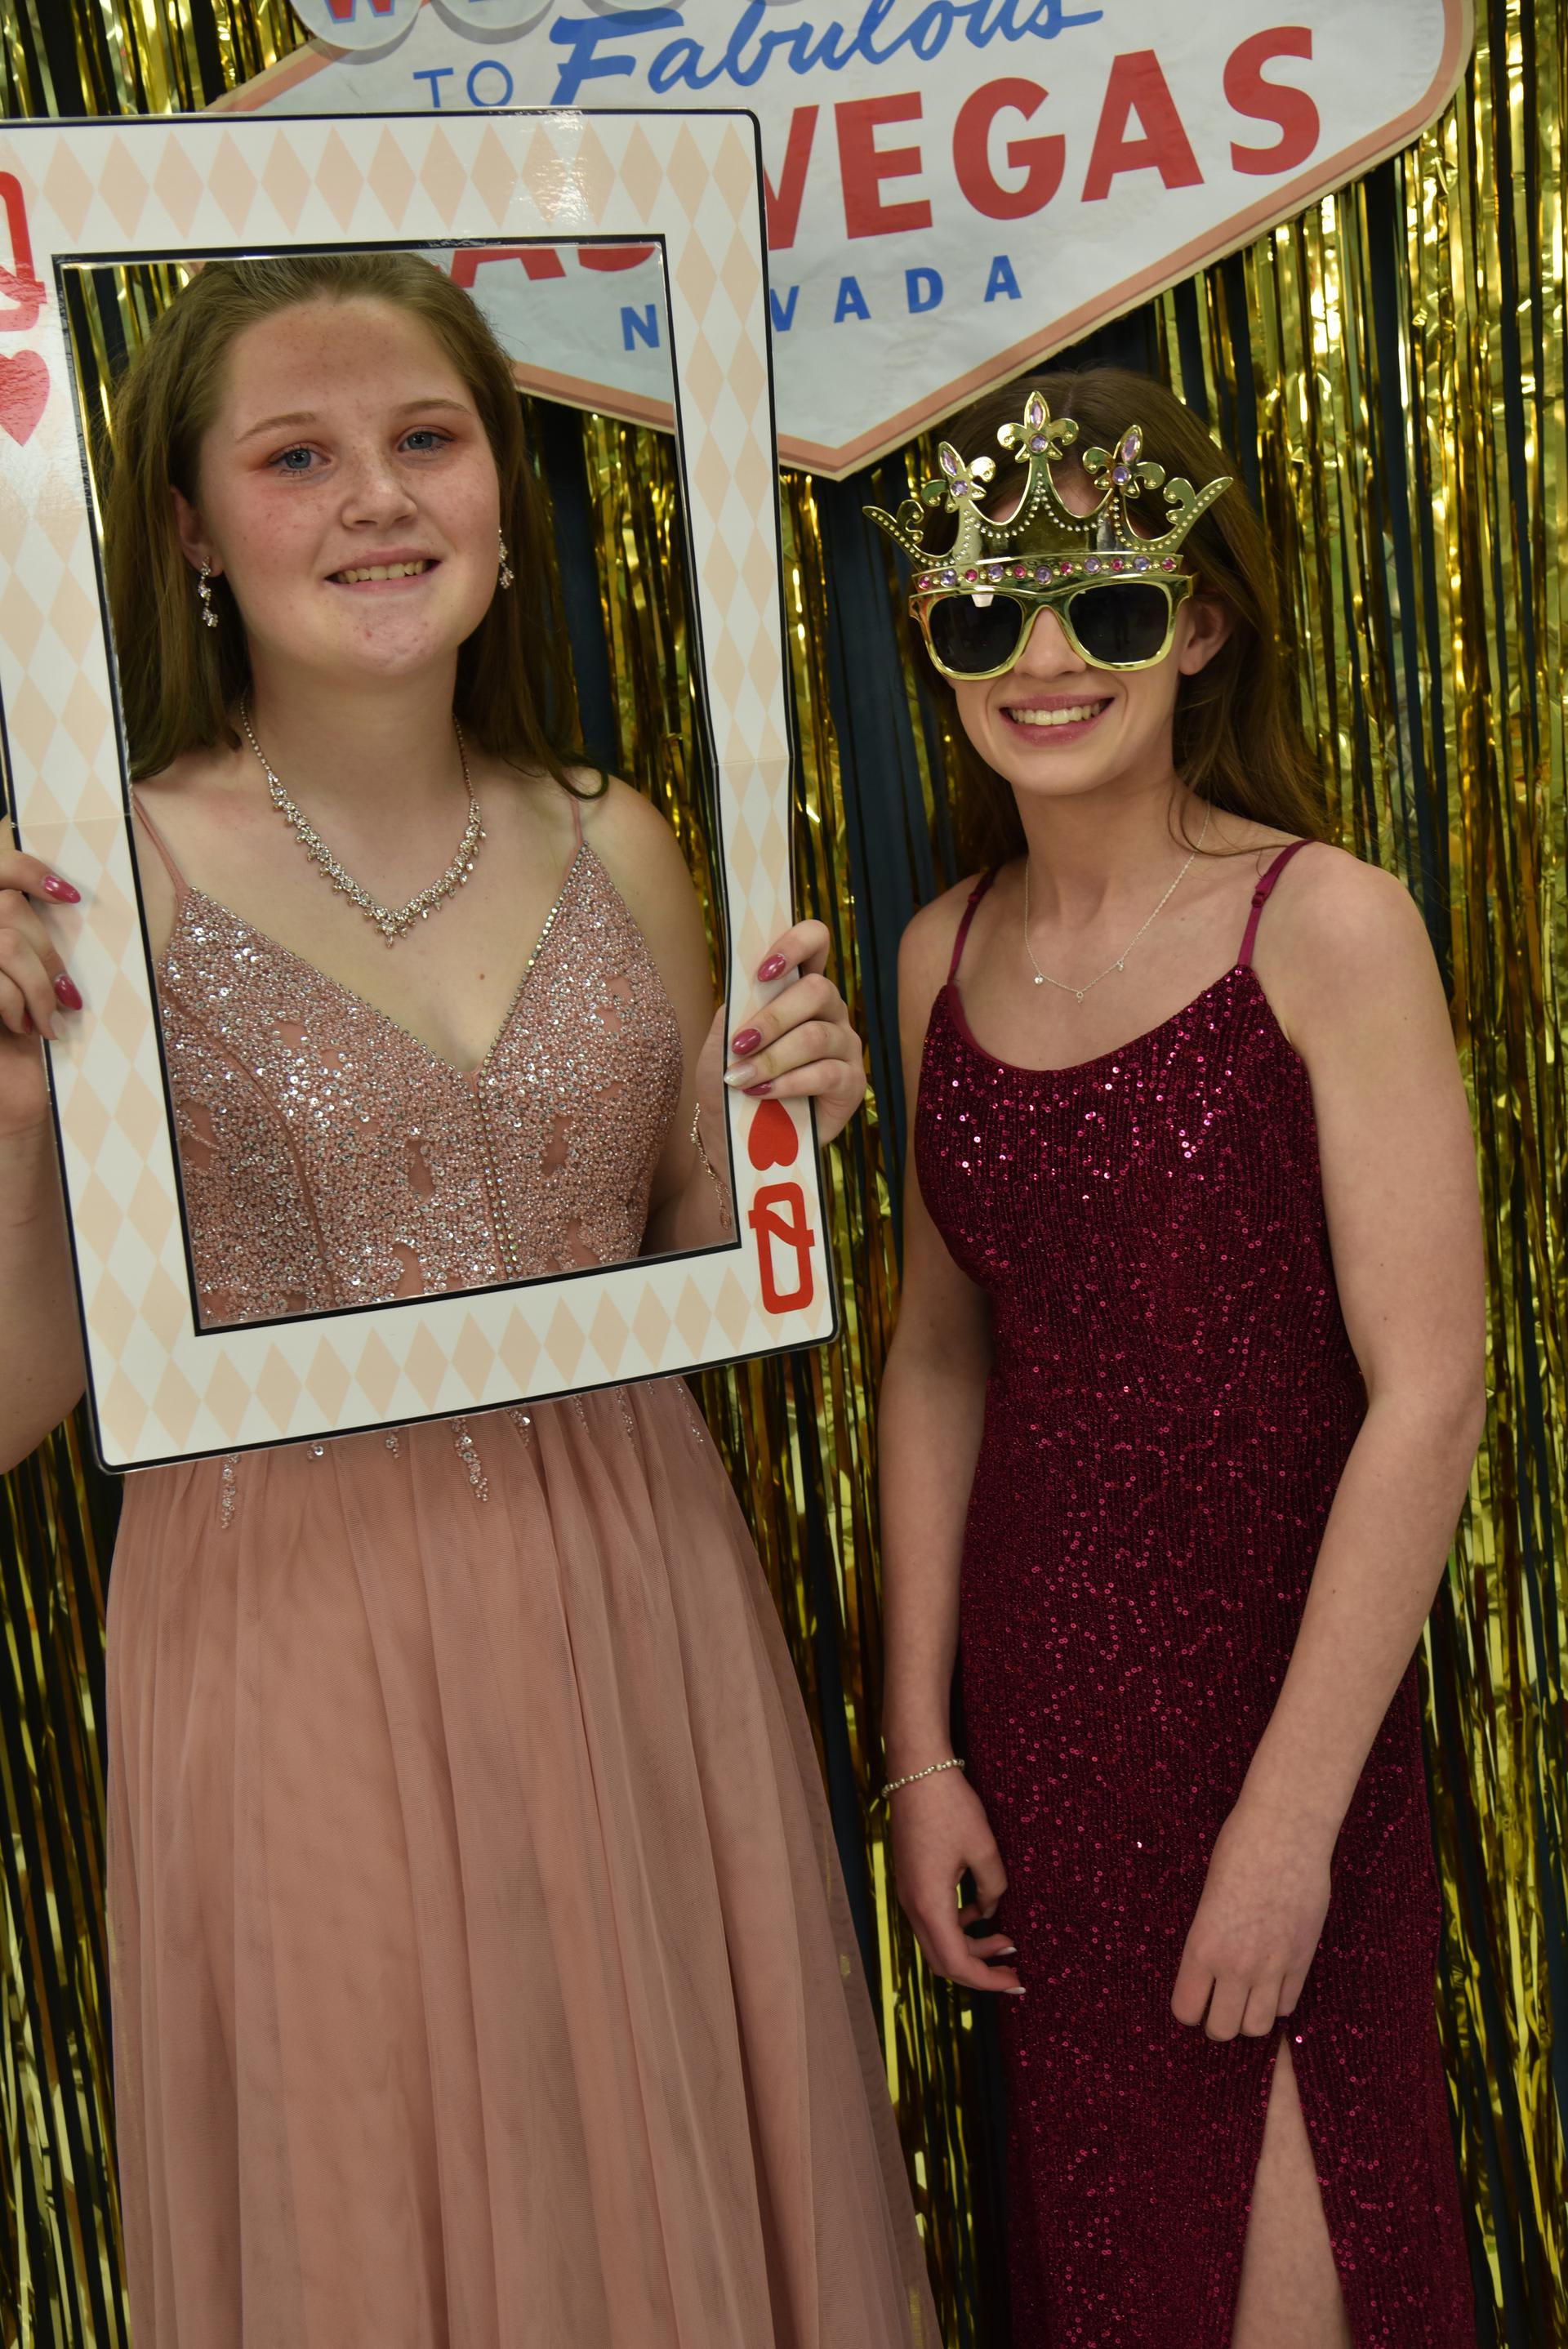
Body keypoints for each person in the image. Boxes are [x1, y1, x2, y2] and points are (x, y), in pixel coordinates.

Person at [0, 252, 939, 2348]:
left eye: (425, 439)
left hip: (632, 1583)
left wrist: (792, 1137)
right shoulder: (94, 882)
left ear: (502, 496)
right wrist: (4, 1107)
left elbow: (699, 1263)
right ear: (189, 529)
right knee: (379, 2194)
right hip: (290, 1630)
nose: (375, 497)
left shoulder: (625, 843)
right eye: (295, 456)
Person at [873, 372, 1482, 2347]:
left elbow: (1432, 1387)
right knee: (1117, 2270)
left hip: (1285, 1708)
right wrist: (921, 1748)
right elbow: (937, 1362)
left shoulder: (1327, 925)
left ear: (1201, 625)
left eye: (1108, 604)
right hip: (1047, 1737)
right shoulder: (939, 952)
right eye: (990, 613)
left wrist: (1291, 1821)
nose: (1045, 661)